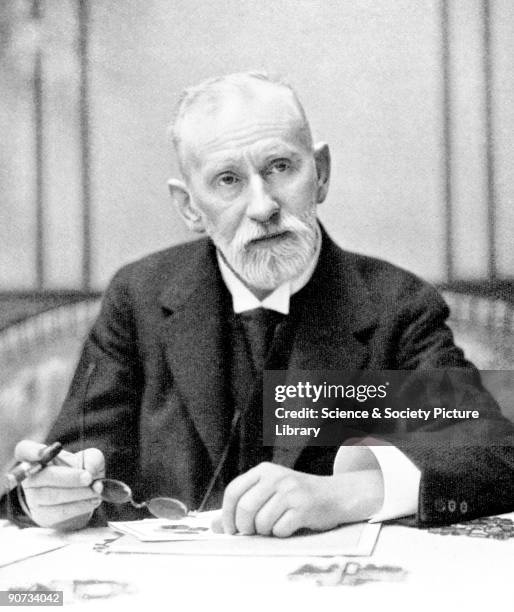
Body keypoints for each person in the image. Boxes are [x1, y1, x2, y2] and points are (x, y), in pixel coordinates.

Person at [9, 72, 514, 534]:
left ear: (320, 172)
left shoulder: (396, 305)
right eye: (228, 180)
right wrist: (55, 494)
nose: (263, 206)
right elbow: (79, 454)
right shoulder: (138, 298)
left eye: (280, 167)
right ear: (190, 207)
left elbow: (491, 452)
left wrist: (347, 492)